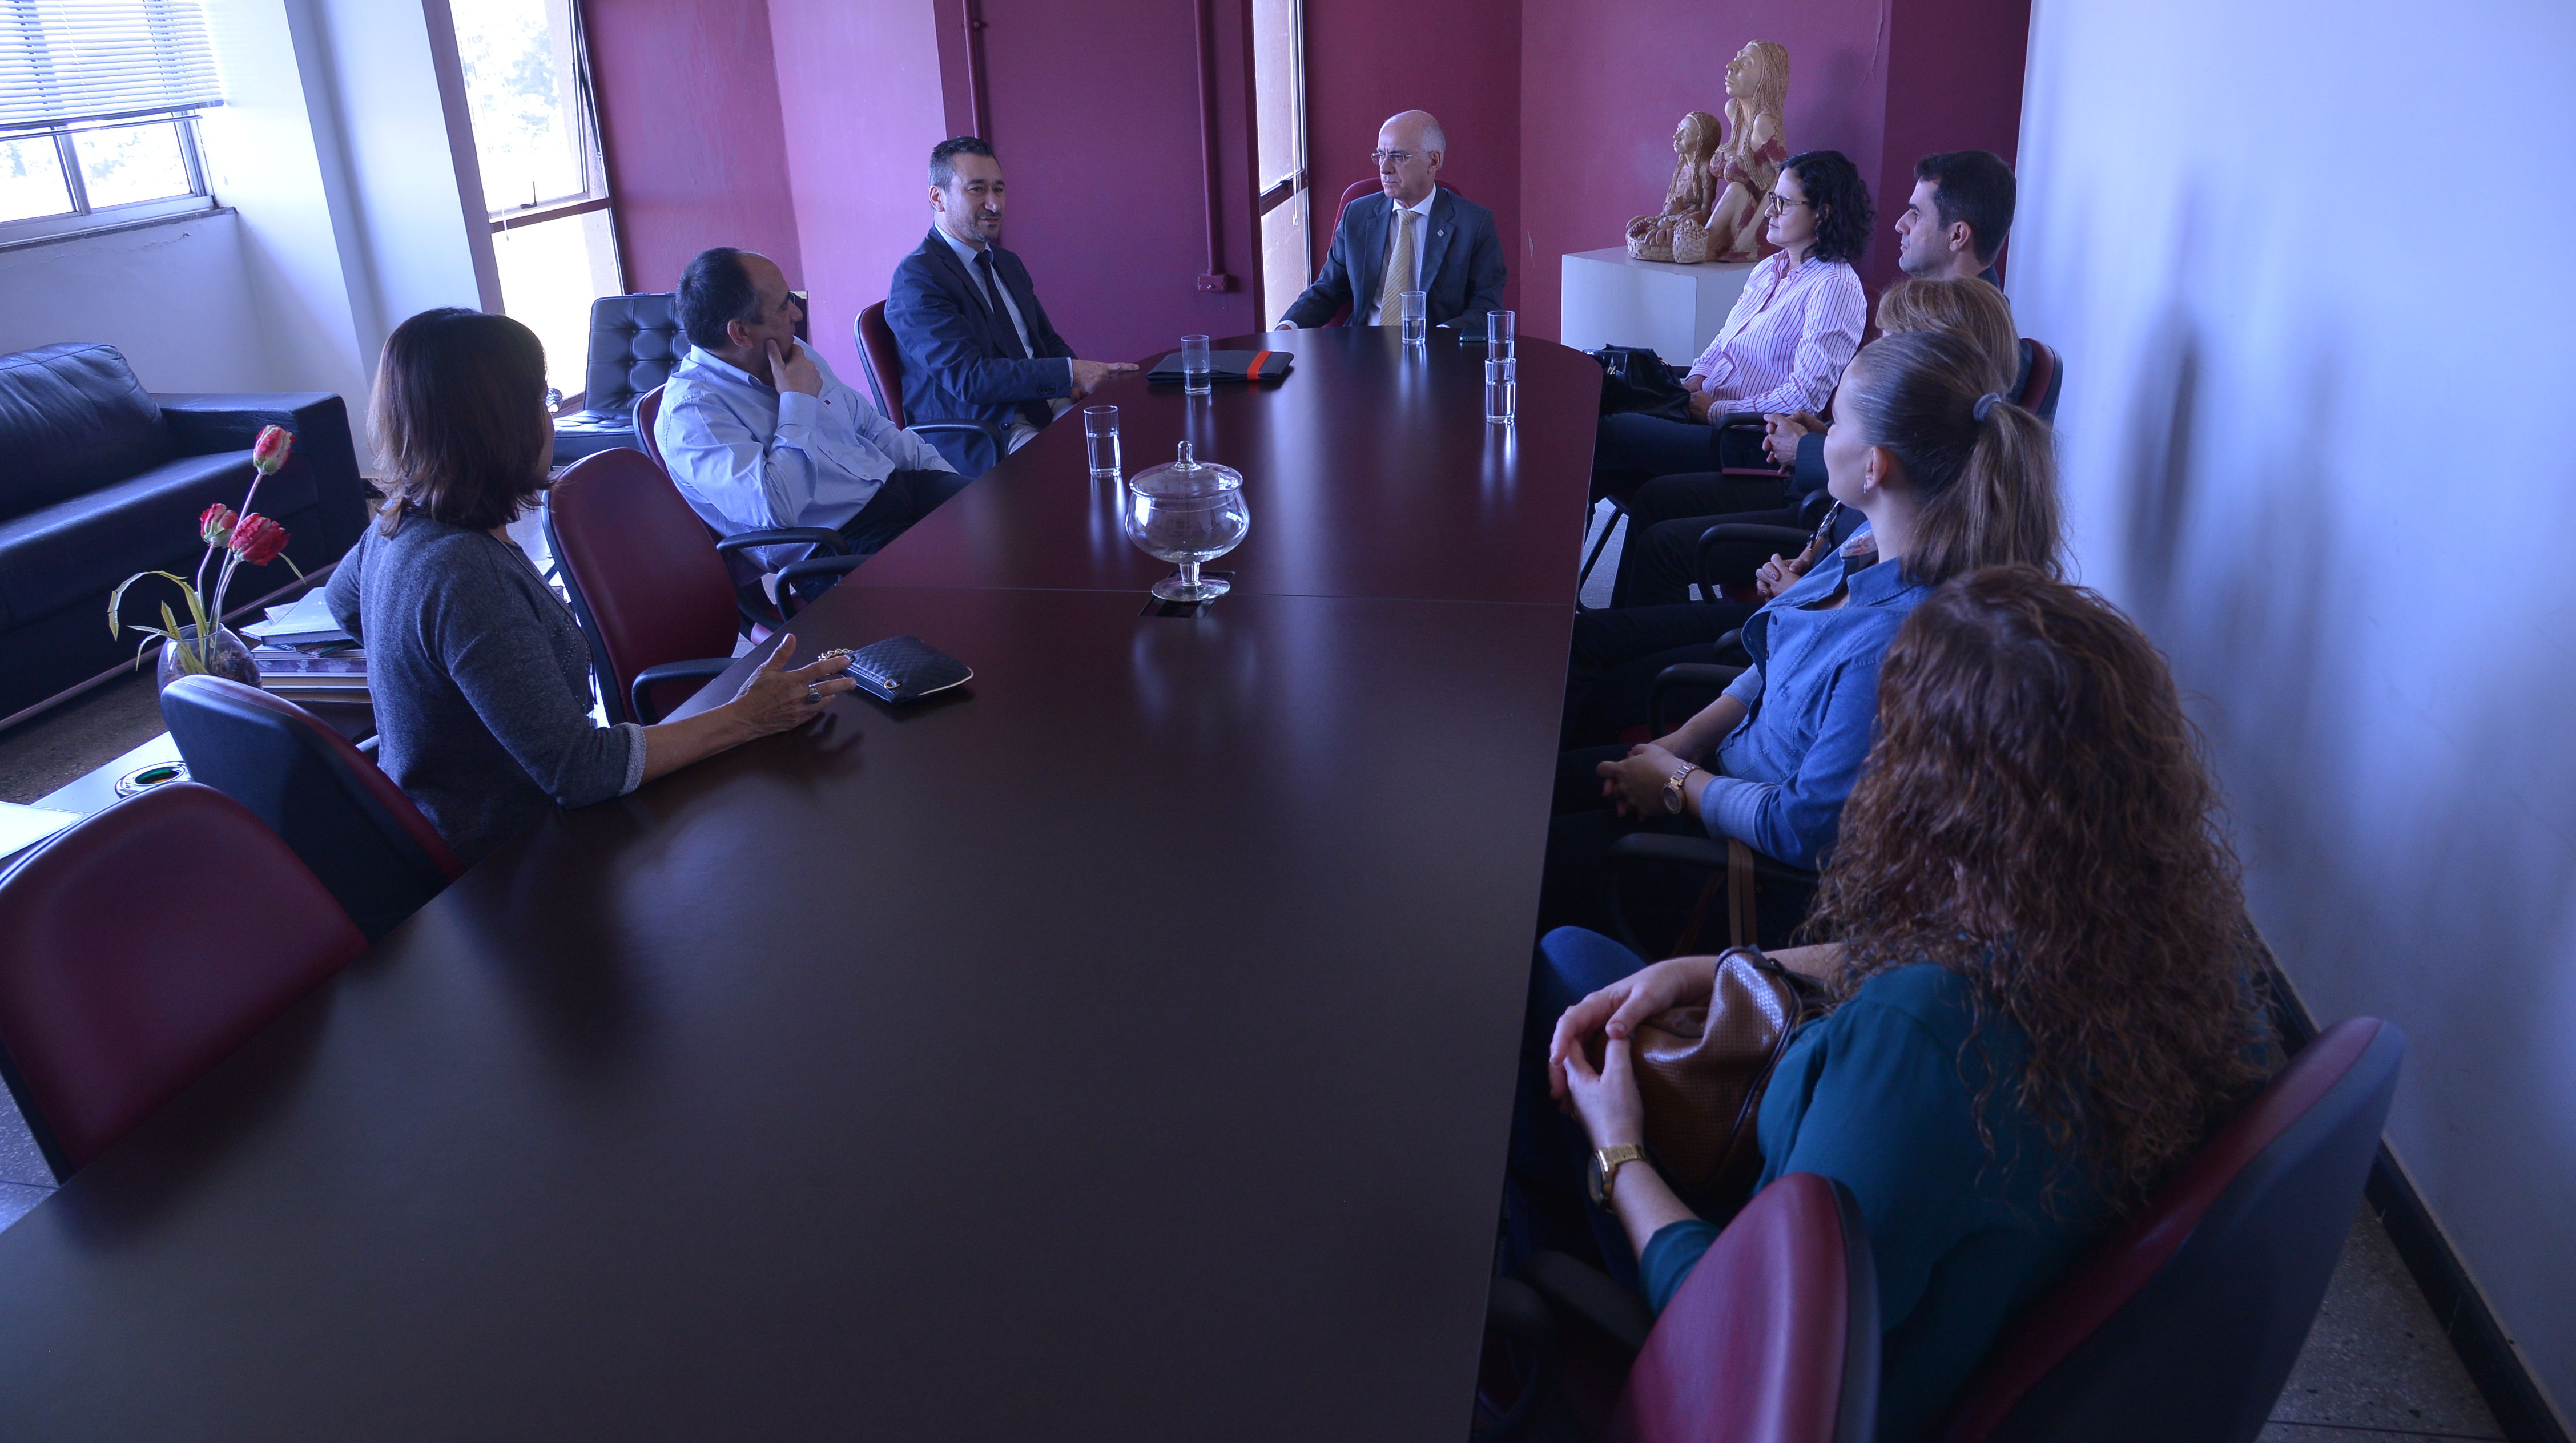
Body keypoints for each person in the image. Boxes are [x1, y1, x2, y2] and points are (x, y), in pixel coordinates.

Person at [1528, 565, 2275, 1443]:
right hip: (1944, 1297)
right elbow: (1976, 953)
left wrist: (1618, 1148)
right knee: (1592, 967)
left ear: (1925, 791)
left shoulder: (1917, 1039)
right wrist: (1731, 964)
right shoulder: (2189, 961)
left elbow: (1753, 1334)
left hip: (1778, 1374)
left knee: (1560, 998)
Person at [1540, 327, 2063, 946]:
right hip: (1718, 780)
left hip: (1742, 869)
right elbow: (1775, 652)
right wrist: (1682, 742)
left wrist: (1678, 786)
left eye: (1835, 423)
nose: (1820, 434)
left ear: (1875, 465)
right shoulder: (1867, 545)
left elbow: (1804, 826)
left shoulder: (1895, 645)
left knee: (1519, 863)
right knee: (1532, 789)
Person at [325, 308, 859, 865]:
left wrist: (432, 691)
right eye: (540, 400)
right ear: (498, 423)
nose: (550, 419)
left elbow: (346, 607)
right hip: (518, 859)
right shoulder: (465, 573)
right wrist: (747, 715)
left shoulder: (396, 526)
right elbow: (581, 770)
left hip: (465, 827)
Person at [1563, 279, 2027, 751]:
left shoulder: (1917, 534)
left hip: (1785, 643)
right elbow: (1838, 566)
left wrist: (1682, 767)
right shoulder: (1920, 499)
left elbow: (1800, 812)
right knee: (1605, 620)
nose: (1874, 352)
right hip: (1794, 603)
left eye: (1889, 342)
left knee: (1603, 673)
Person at [657, 247, 965, 573]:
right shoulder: (692, 414)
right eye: (783, 306)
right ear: (741, 333)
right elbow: (777, 506)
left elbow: (872, 427)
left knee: (999, 517)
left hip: (897, 488)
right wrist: (797, 401)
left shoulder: (794, 351)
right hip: (836, 544)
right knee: (963, 580)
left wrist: (944, 478)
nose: (797, 314)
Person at [1590, 149, 1871, 505]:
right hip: (1703, 414)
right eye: (1773, 199)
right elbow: (1724, 342)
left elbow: (1804, 400)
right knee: (1599, 410)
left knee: (1613, 435)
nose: (1769, 211)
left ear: (1823, 213)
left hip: (1750, 442)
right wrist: (1695, 379)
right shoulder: (1770, 269)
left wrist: (1713, 410)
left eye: (1783, 203)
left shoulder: (1835, 287)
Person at [885, 136, 1139, 476]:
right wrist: (1069, 373)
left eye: (999, 189)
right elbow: (970, 379)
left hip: (1044, 404)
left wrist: (1075, 383)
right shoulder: (916, 279)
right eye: (977, 190)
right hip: (987, 430)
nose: (994, 204)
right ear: (938, 198)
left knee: (1129, 440)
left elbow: (1046, 341)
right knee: (1079, 472)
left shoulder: (1006, 263)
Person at [1275, 110, 1507, 335]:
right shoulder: (1357, 215)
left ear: (1433, 161)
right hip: (1363, 351)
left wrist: (1441, 340)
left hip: (1435, 356)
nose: (1384, 168)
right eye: (1380, 155)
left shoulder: (1473, 224)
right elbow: (1329, 288)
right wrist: (1288, 326)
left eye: (1398, 156)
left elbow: (1486, 307)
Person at [1893, 148, 2016, 284]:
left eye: (1917, 214)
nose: (1900, 225)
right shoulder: (1979, 303)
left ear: (1957, 236)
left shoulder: (1967, 306)